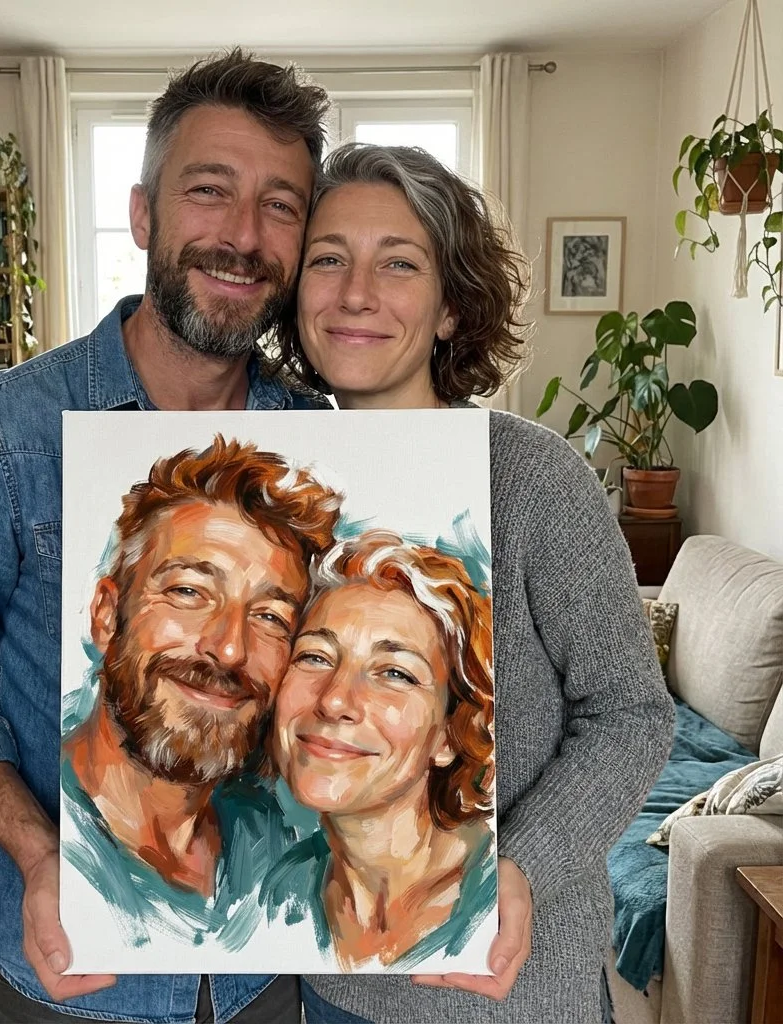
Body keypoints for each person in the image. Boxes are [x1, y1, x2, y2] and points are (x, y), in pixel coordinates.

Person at [0, 50, 332, 1024]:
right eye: (210, 190)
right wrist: (40, 852)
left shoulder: (321, 436)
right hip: (70, 976)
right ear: (143, 214)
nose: (243, 235)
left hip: (268, 973)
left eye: (281, 204)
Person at [272, 143, 676, 1022]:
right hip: (331, 982)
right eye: (328, 259)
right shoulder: (275, 497)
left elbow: (634, 714)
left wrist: (520, 867)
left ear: (453, 308)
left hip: (512, 990)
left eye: (400, 264)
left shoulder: (534, 480)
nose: (356, 293)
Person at [61, 436, 340, 952]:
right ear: (106, 615)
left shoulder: (280, 848)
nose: (230, 648)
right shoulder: (54, 834)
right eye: (189, 592)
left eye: (270, 617)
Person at [264, 530, 497, 972]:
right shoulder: (277, 891)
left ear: (450, 735)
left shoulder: (493, 892)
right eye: (314, 656)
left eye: (394, 672)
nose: (334, 700)